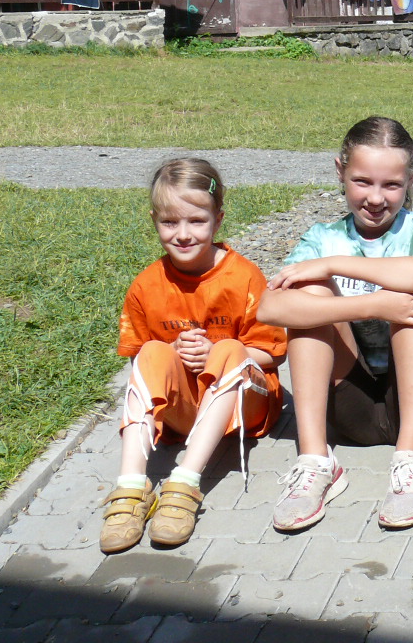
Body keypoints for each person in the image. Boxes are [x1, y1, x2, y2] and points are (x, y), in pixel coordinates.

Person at [259, 117, 413, 533]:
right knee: (309, 295)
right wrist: (374, 304)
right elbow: (269, 308)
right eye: (362, 182)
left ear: (411, 178)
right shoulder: (322, 237)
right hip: (352, 406)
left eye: (391, 185)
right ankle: (316, 461)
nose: (375, 198)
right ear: (340, 171)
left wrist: (334, 265)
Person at [100, 159, 285, 553]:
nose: (183, 234)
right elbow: (140, 366)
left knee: (231, 348)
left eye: (196, 221)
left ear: (218, 221)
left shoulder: (244, 276)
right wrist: (171, 352)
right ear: (154, 221)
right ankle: (131, 487)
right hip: (185, 412)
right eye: (170, 222)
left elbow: (271, 354)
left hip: (246, 408)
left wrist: (217, 352)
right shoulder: (146, 285)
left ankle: (184, 483)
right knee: (151, 350)